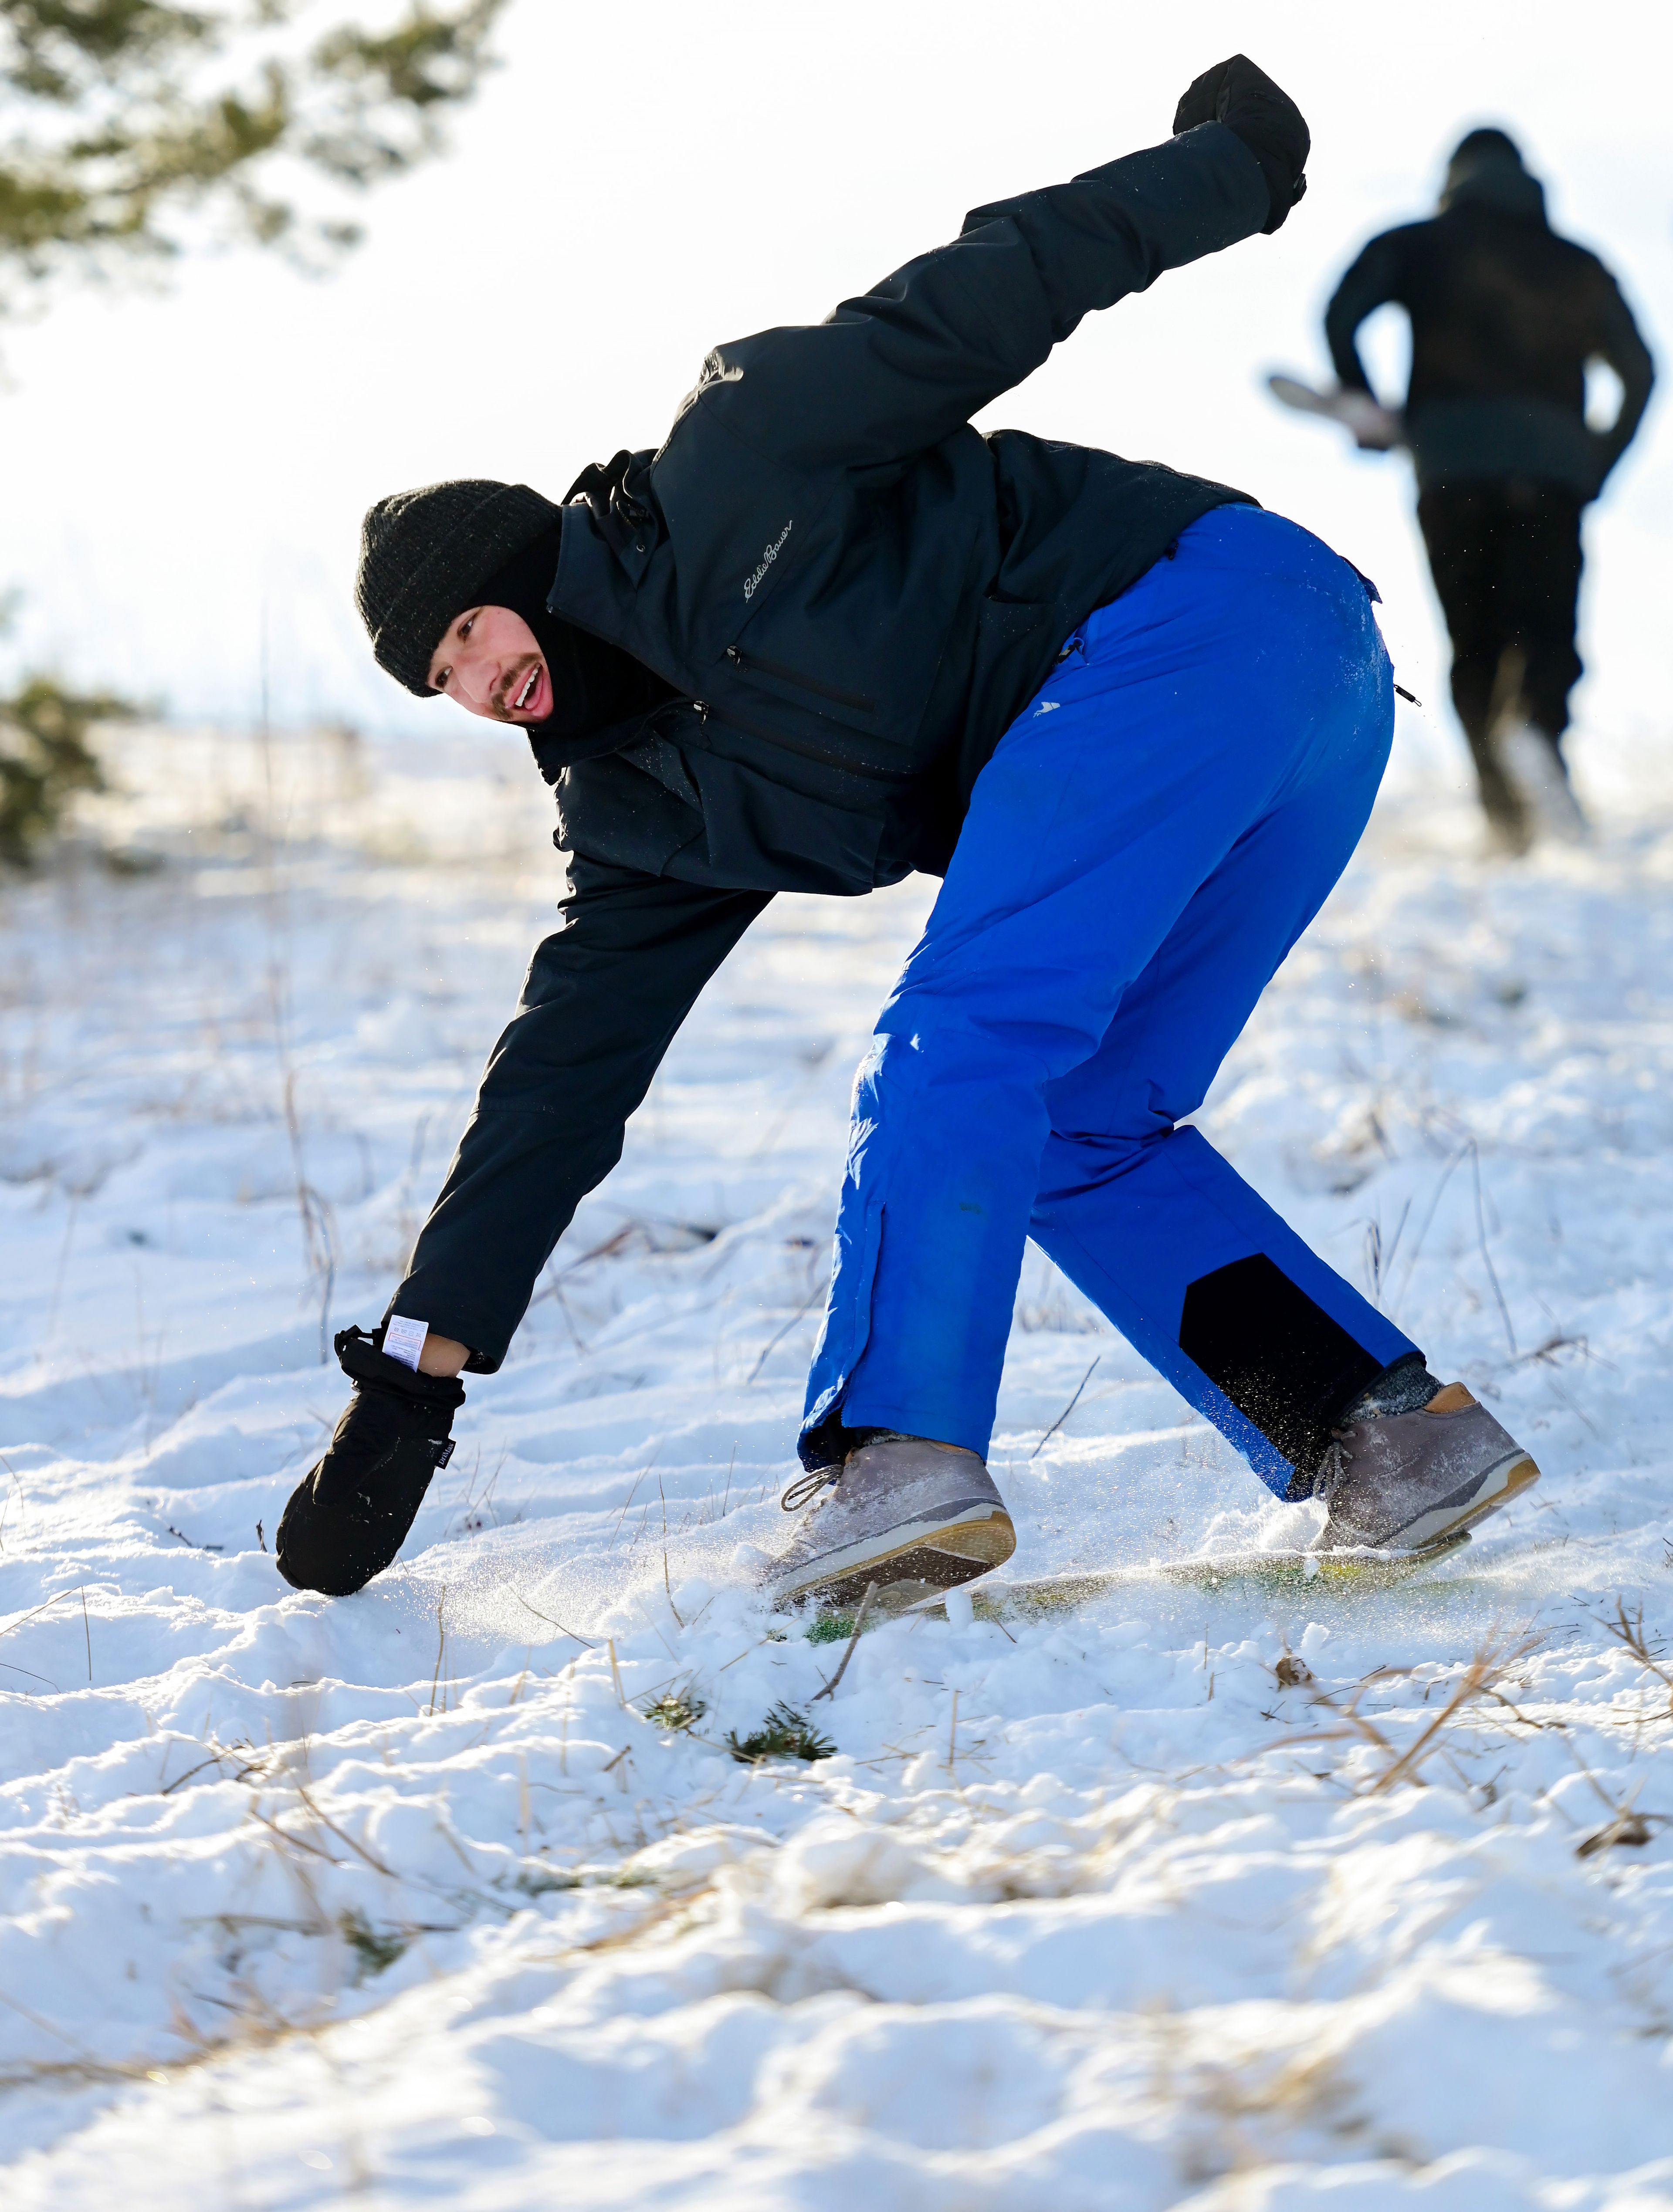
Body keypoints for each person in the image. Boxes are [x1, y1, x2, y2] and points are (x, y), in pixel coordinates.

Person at [277, 57, 1540, 1609]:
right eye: (442, 681)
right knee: (1077, 1117)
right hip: (1282, 714)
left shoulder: (739, 460)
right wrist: (415, 1378)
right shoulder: (645, 823)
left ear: (521, 561)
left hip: (1207, 612)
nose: (480, 684)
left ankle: (894, 1457)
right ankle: (1381, 1435)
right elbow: (555, 1090)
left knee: (964, 1036)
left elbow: (988, 290)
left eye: (469, 630)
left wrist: (1228, 171)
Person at [1325, 128, 1655, 850]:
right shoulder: (1578, 265)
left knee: (1474, 637)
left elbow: (1341, 312)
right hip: (1550, 471)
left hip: (1450, 466)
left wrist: (1361, 396)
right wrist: (1595, 462)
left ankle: (1505, 821)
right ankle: (1536, 730)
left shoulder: (1416, 244)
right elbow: (1639, 370)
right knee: (1542, 625)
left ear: (1454, 180)